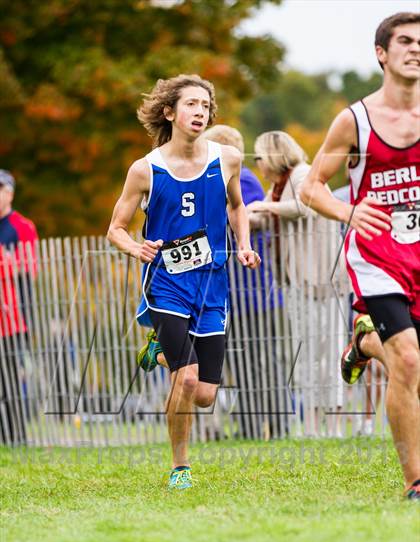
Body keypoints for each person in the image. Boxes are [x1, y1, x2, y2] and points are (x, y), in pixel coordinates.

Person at [107, 74, 260, 489]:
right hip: (167, 283)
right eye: (192, 104)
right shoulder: (145, 169)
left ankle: (158, 350)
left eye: (206, 106)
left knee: (206, 393)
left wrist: (243, 244)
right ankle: (180, 467)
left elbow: (238, 206)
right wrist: (134, 248)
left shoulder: (228, 158)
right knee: (187, 378)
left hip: (212, 284)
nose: (200, 112)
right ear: (170, 112)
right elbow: (115, 228)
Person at [301, 12, 420, 500]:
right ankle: (416, 482)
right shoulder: (355, 120)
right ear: (381, 54)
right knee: (410, 362)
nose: (416, 50)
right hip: (378, 256)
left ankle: (363, 345)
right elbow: (311, 188)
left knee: (410, 361)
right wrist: (349, 211)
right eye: (406, 42)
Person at [248, 132, 346, 438]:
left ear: (274, 154)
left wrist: (263, 208)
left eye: (260, 156)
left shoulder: (304, 175)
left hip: (322, 279)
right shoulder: (276, 187)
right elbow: (261, 220)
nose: (259, 163)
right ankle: (313, 426)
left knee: (328, 352)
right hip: (296, 281)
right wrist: (237, 214)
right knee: (305, 353)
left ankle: (334, 426)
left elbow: (303, 207)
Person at [203, 125, 280, 440]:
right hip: (233, 292)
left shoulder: (243, 180)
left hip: (254, 292)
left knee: (261, 362)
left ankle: (277, 426)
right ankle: (248, 427)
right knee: (238, 362)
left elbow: (242, 220)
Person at [0, 169, 39, 445]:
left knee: (12, 380)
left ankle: (16, 436)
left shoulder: (22, 226)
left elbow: (30, 269)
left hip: (14, 318)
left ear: (10, 193)